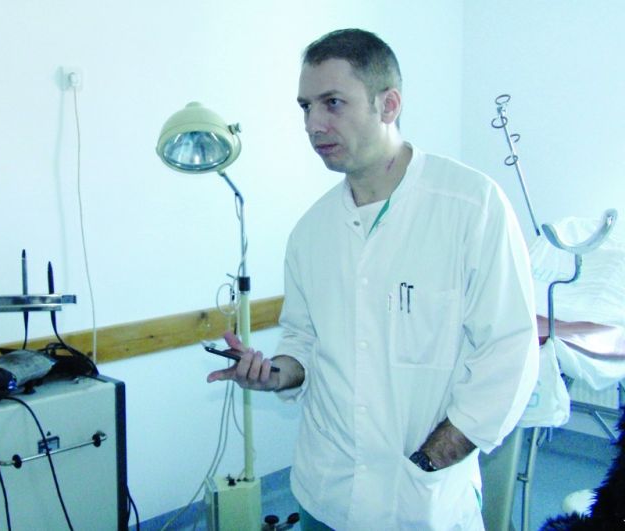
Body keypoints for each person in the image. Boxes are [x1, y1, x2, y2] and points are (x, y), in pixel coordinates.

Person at [207, 28, 539, 530]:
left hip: (421, 504)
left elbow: (509, 353)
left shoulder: (471, 207)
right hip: (325, 494)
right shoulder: (311, 232)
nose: (313, 124)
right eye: (305, 107)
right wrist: (272, 373)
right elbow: (302, 341)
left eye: (333, 103)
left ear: (389, 105)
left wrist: (431, 460)